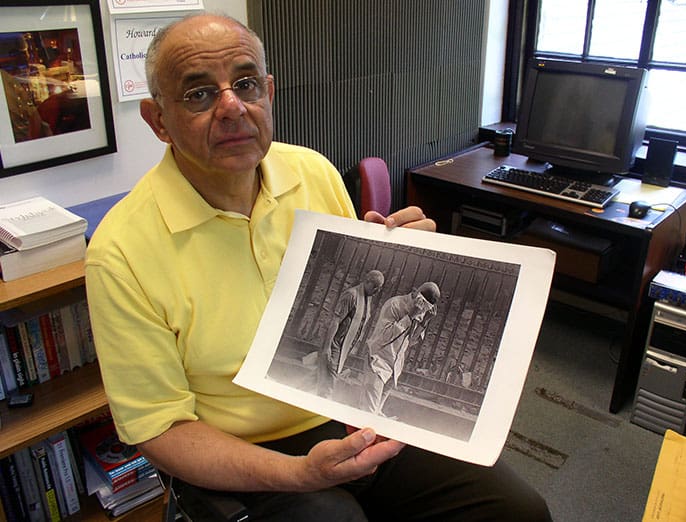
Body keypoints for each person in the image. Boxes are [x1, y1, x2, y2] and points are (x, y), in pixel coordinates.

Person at [85, 13, 552, 521]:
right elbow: (161, 431)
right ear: (158, 121)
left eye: (245, 84)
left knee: (517, 511)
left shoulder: (312, 170)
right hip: (244, 449)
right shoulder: (121, 251)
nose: (232, 107)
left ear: (268, 91)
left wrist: (401, 249)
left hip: (347, 407)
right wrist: (300, 474)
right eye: (198, 94)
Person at [362, 282, 440, 415]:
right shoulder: (394, 304)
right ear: (416, 294)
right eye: (423, 304)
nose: (423, 309)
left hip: (394, 368)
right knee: (368, 412)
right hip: (377, 362)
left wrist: (424, 322)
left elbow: (410, 342)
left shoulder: (421, 311)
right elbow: (384, 337)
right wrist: (409, 316)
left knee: (376, 411)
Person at [317, 269, 385, 399]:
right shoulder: (352, 295)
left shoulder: (366, 299)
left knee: (322, 378)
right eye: (375, 286)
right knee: (328, 384)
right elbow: (335, 321)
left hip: (344, 347)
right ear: (367, 281)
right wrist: (327, 348)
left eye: (379, 288)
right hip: (335, 345)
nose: (377, 291)